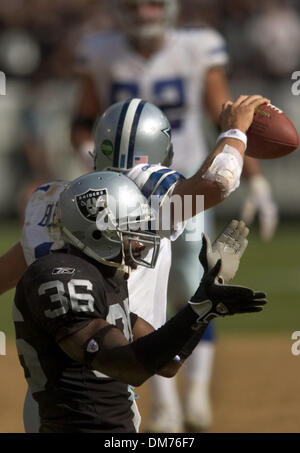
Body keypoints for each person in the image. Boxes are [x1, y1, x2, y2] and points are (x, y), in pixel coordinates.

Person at [1, 93, 268, 432]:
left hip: (97, 394)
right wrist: (234, 132)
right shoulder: (136, 203)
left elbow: (165, 360)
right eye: (134, 235)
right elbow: (218, 181)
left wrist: (204, 306)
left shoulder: (63, 208)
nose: (142, 245)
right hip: (79, 403)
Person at [71, 0, 278, 431]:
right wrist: (241, 156)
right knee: (176, 291)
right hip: (156, 195)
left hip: (180, 189)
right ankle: (165, 405)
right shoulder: (102, 50)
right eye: (134, 5)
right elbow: (82, 117)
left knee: (176, 286)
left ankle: (194, 397)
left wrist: (253, 174)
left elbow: (217, 112)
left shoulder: (197, 46)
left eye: (151, 4)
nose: (143, 13)